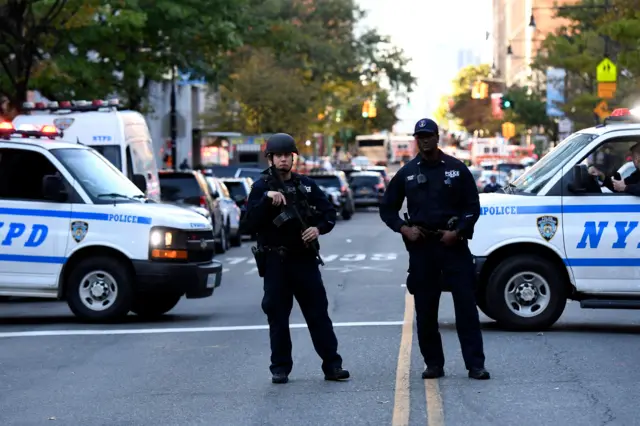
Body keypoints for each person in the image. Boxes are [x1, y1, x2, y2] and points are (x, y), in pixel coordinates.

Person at [379, 118, 490, 381]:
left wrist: (459, 230)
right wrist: (404, 229)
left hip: (453, 246)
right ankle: (433, 364)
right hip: (422, 250)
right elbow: (387, 208)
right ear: (416, 140)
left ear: (437, 137)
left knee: (466, 308)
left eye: (428, 135)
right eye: (420, 136)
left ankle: (475, 365)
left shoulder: (456, 168)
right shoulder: (406, 173)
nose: (424, 140)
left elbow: (473, 206)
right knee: (426, 311)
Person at [241, 133, 349, 384]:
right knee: (278, 315)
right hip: (275, 262)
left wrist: (318, 229)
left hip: (304, 260)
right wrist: (267, 201)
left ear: (292, 158)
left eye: (287, 156)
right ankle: (280, 367)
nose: (282, 160)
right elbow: (248, 224)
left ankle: (332, 365)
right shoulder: (261, 187)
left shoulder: (306, 185)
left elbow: (329, 213)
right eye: (278, 156)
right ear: (270, 158)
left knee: (318, 314)